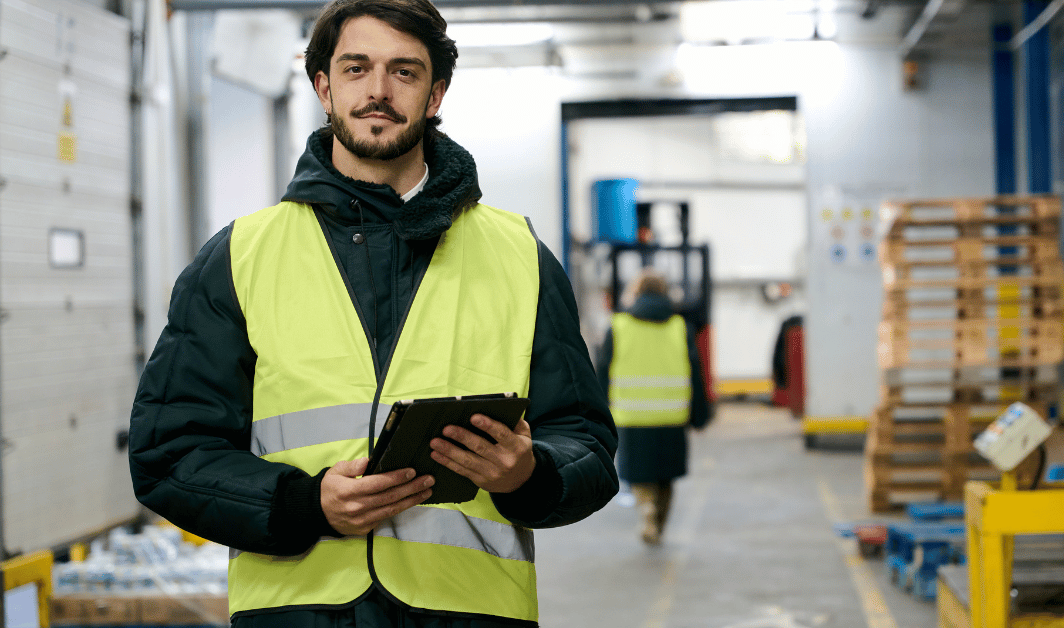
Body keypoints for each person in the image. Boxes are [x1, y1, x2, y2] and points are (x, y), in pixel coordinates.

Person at [127, 0, 618, 626]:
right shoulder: (240, 257)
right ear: (323, 87)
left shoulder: (520, 257)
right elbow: (169, 453)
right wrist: (306, 505)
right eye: (356, 69)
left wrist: (530, 473)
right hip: (299, 617)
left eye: (405, 72)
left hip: (468, 614)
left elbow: (588, 448)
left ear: (436, 93)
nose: (378, 91)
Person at [596, 269, 710, 546]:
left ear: (636, 293)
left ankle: (646, 508)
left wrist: (597, 414)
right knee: (666, 475)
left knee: (640, 473)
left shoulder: (619, 326)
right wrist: (700, 415)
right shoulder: (680, 328)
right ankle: (659, 520)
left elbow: (602, 372)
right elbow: (695, 373)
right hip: (672, 415)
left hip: (632, 416)